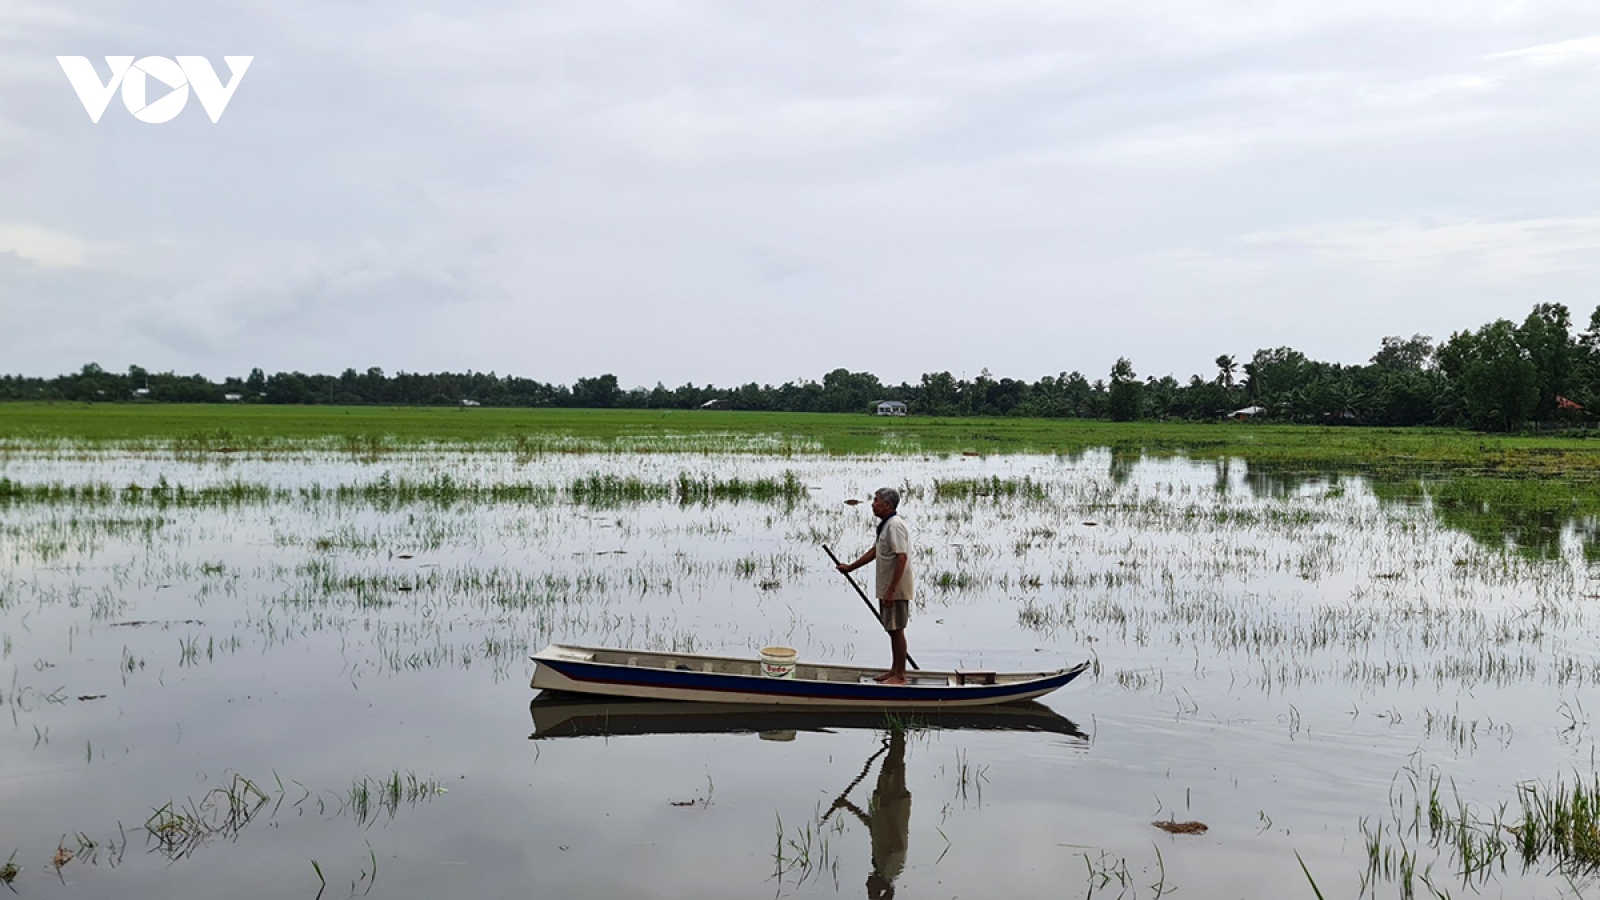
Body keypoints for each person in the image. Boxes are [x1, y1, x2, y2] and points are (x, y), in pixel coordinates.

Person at [838, 487, 915, 684]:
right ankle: (894, 670)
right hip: (888, 588)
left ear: (887, 505)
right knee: (891, 628)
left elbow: (902, 557)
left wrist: (891, 590)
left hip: (896, 589)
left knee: (897, 629)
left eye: (876, 501)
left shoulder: (895, 526)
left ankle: (901, 675)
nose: (872, 504)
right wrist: (851, 567)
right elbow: (876, 551)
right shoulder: (885, 526)